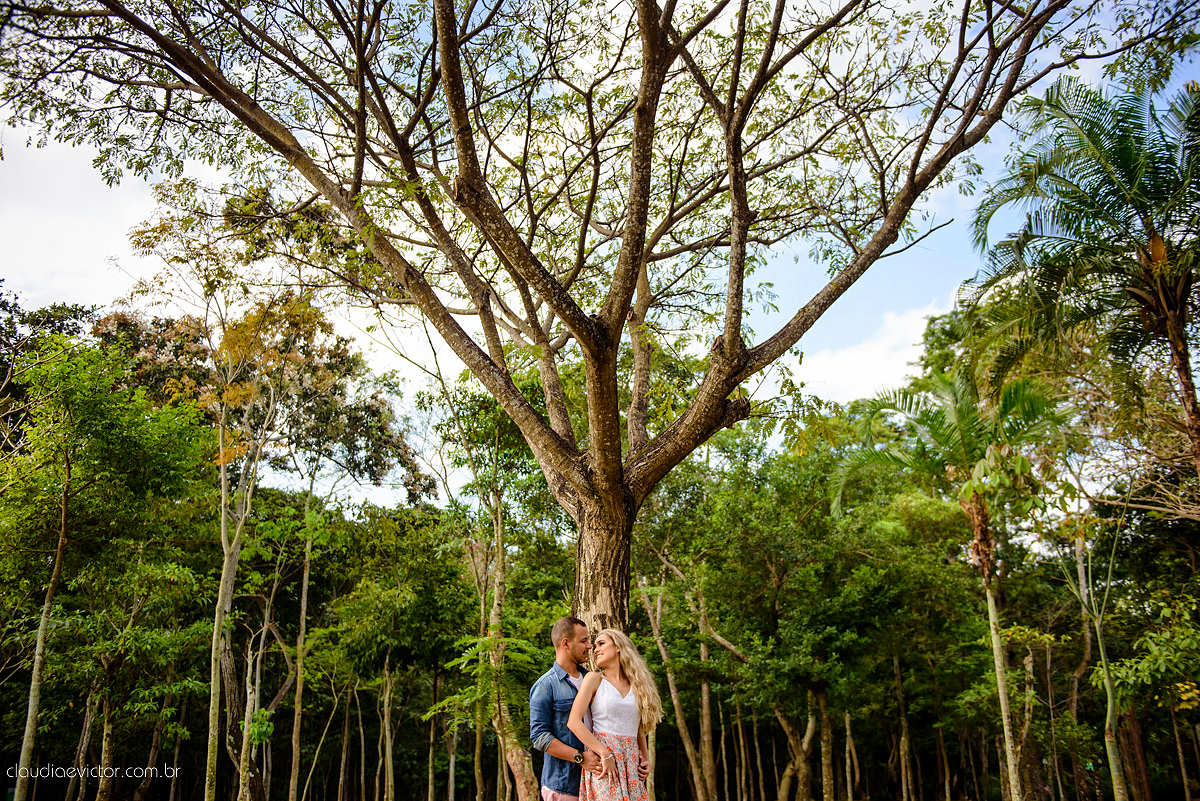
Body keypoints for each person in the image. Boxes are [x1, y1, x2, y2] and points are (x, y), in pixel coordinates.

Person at [566, 629, 663, 801]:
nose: (595, 650)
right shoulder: (594, 679)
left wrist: (646, 758)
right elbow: (573, 722)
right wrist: (605, 754)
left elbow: (638, 727)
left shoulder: (638, 685)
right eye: (594, 646)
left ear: (618, 647)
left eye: (601, 644)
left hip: (632, 764)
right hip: (604, 762)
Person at [530, 617, 602, 801]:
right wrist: (580, 758)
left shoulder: (593, 680)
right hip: (564, 786)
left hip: (597, 784)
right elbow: (539, 737)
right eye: (583, 641)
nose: (589, 646)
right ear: (565, 644)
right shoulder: (545, 686)